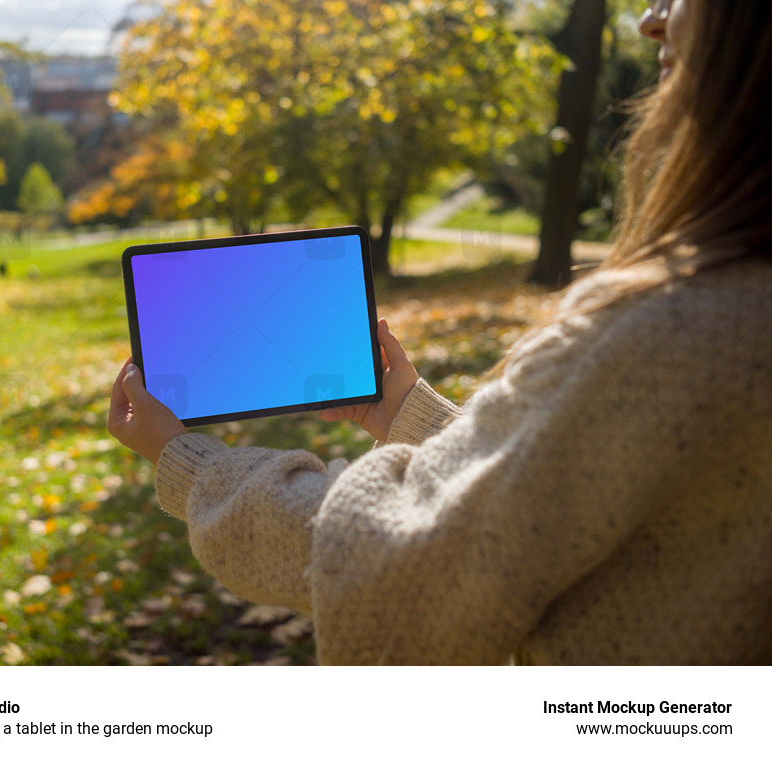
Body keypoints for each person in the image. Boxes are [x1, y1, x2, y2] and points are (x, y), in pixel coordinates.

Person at [108, 0, 772, 664]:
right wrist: (407, 412)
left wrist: (192, 466)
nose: (650, 18)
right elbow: (557, 500)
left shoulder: (671, 333)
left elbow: (395, 561)